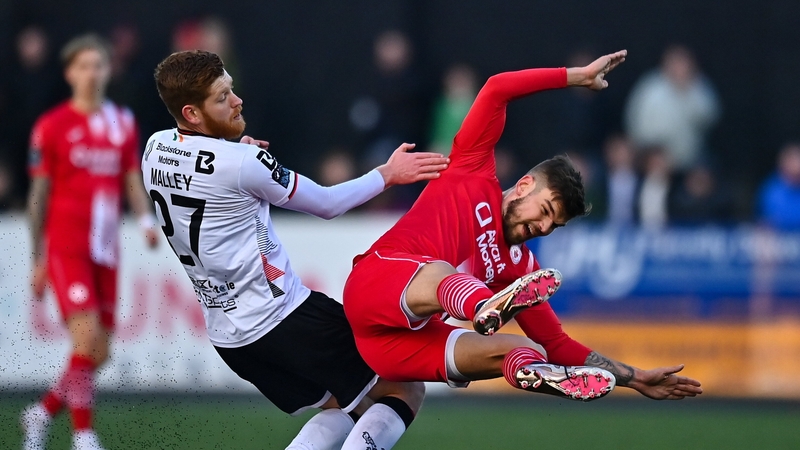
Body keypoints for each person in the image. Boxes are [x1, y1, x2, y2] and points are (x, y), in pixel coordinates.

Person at [343, 50, 704, 404]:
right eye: (545, 210)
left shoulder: (519, 268)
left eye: (554, 225)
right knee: (440, 271)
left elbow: (557, 343)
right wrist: (574, 77)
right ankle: (483, 306)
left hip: (394, 347)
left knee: (529, 348)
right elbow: (496, 89)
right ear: (525, 185)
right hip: (373, 290)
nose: (544, 226)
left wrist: (636, 378)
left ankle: (530, 369)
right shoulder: (473, 169)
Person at [144, 50, 450, 450]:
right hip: (285, 319)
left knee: (343, 407)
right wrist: (387, 174)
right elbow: (327, 203)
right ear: (192, 113)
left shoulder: (155, 149)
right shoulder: (243, 162)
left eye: (231, 89)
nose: (237, 101)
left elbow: (211, 180)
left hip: (230, 339)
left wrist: (235, 154)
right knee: (404, 388)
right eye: (222, 97)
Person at [21, 34, 160, 450]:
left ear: (108, 70)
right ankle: (83, 435)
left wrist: (146, 220)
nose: (92, 73)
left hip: (106, 247)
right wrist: (37, 257)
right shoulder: (51, 126)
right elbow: (38, 195)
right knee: (85, 339)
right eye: (84, 66)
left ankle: (41, 412)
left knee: (100, 352)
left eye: (99, 65)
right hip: (67, 246)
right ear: (69, 73)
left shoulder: (123, 121)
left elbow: (131, 177)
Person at [624, 45, 720, 173]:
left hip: (691, 159)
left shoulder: (699, 87)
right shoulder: (650, 87)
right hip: (653, 155)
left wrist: (685, 91)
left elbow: (710, 118)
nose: (679, 68)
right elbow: (635, 119)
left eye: (683, 63)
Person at [758, 142, 800, 230]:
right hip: (780, 236)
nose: (796, 165)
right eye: (792, 160)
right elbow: (766, 222)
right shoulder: (771, 190)